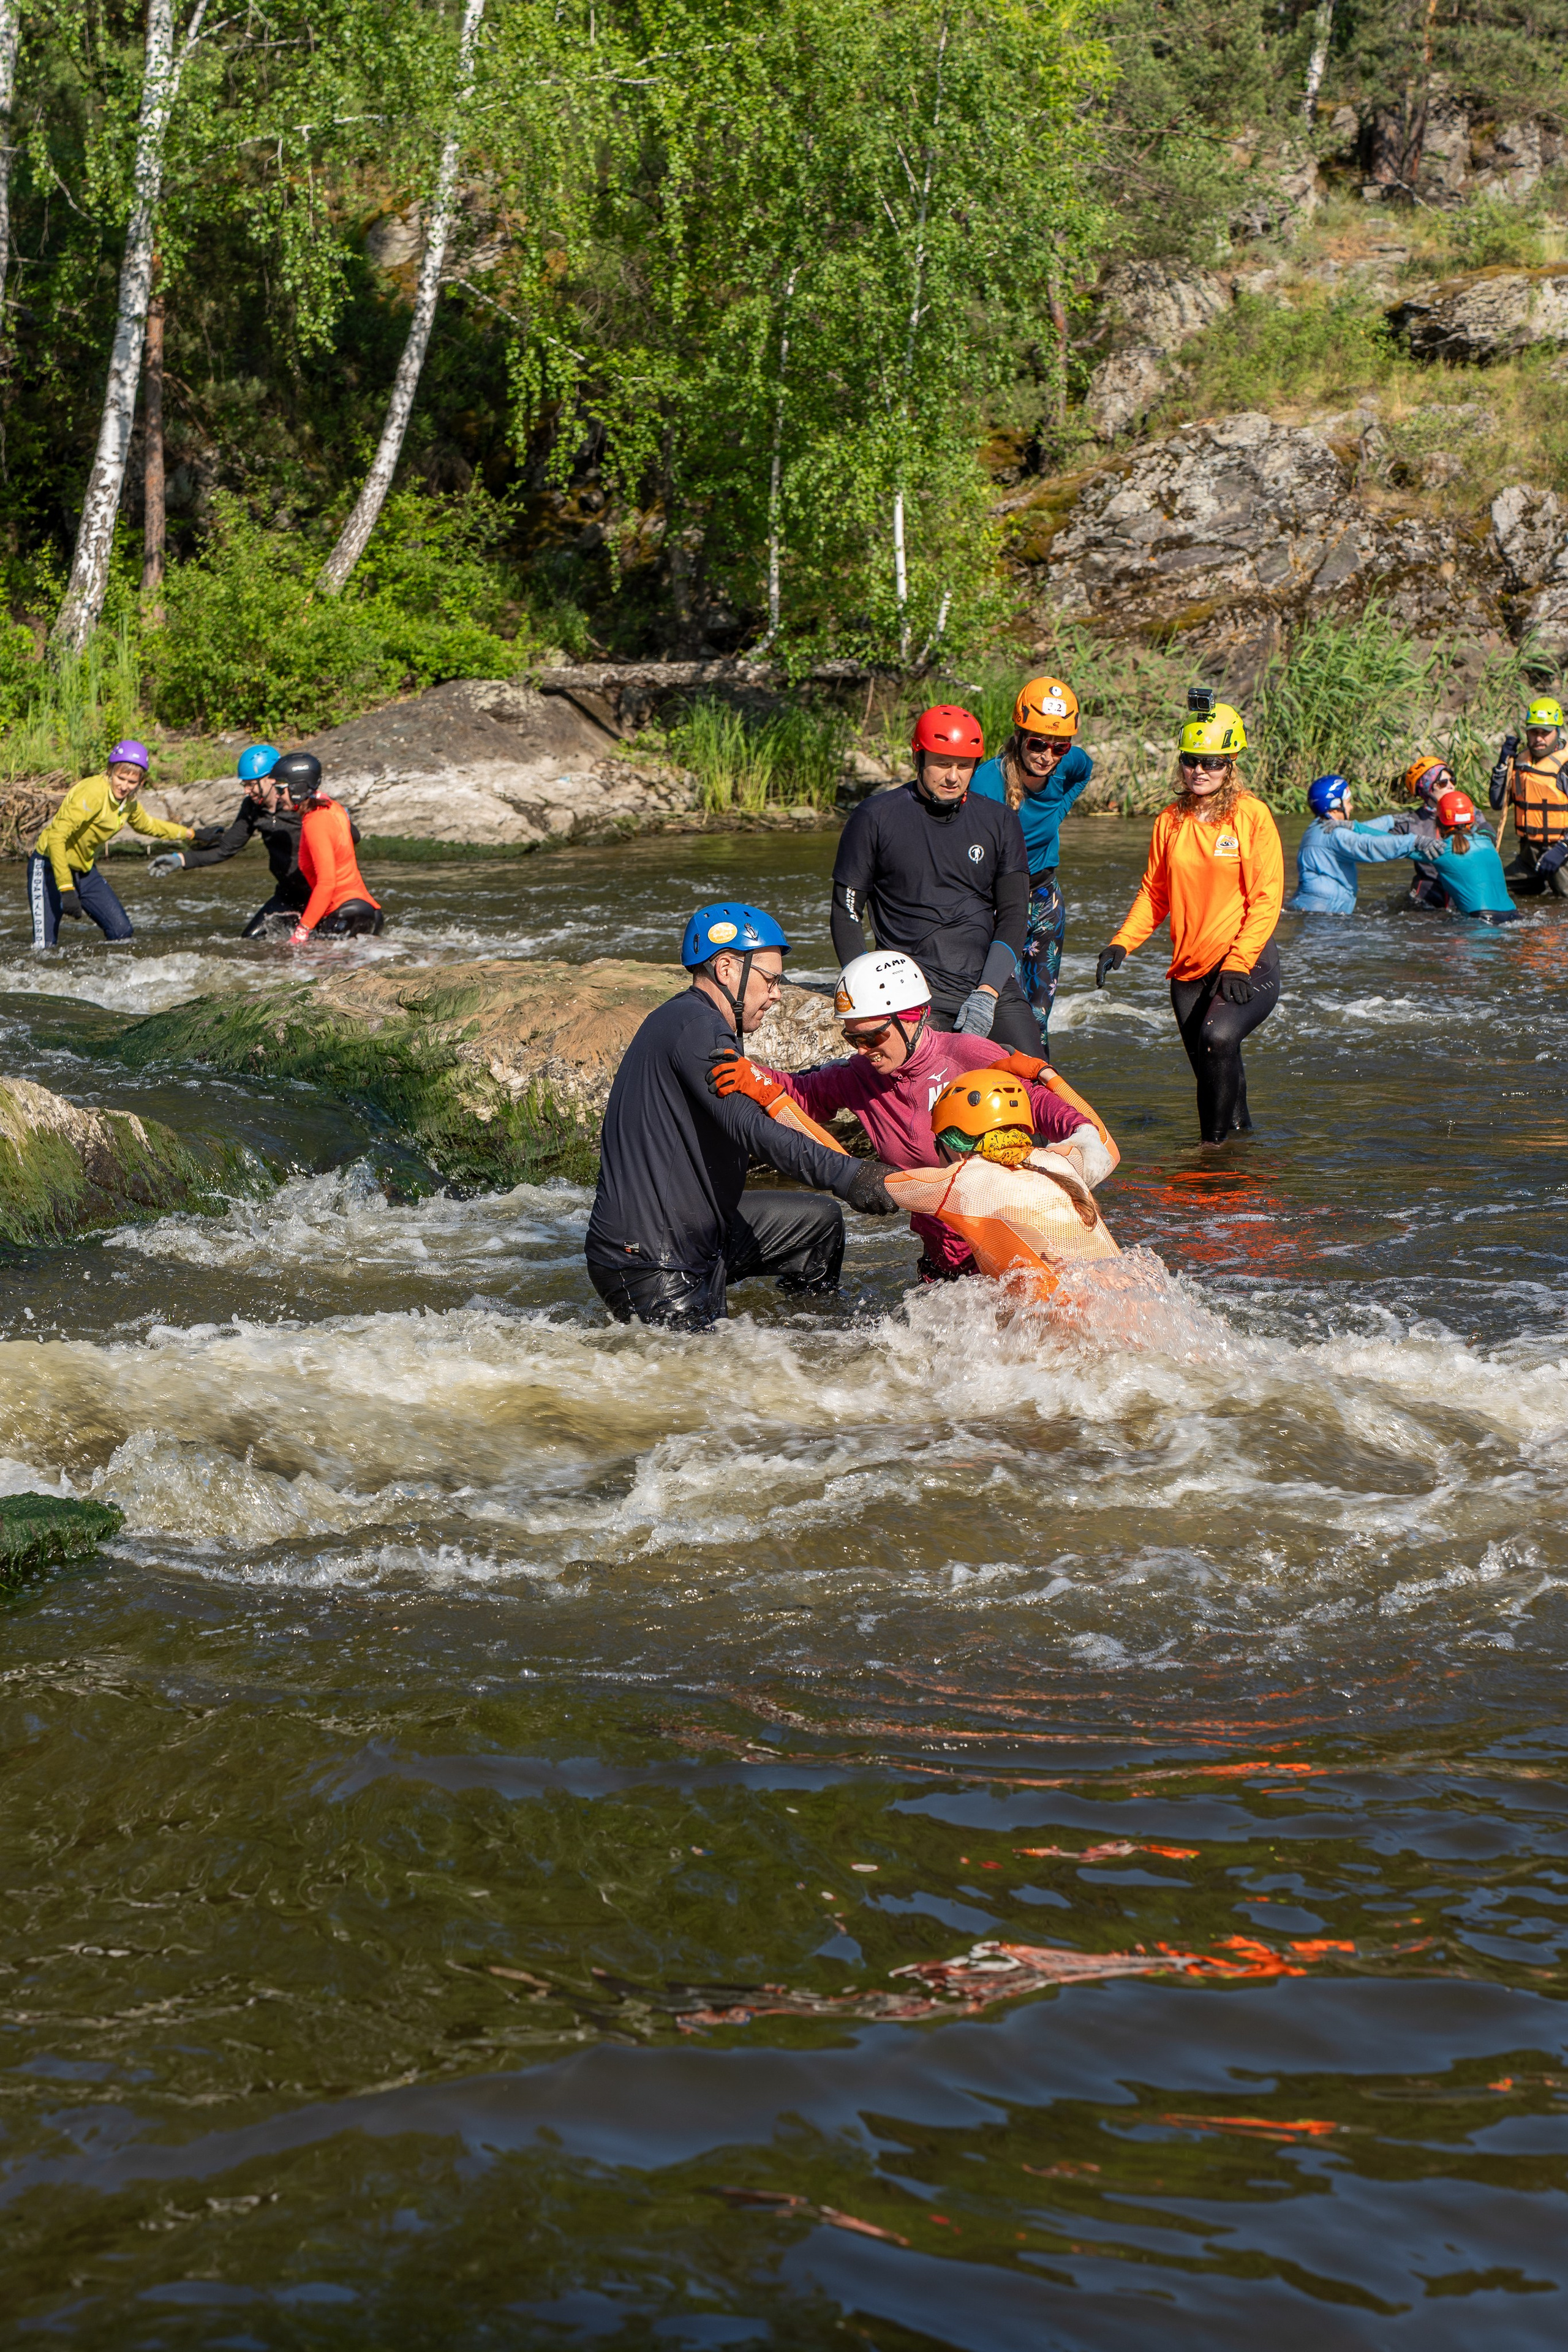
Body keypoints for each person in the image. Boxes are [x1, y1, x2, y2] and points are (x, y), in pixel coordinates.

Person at [707, 948, 1116, 1284]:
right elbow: (799, 1094)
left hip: (1017, 1256)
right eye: (852, 1036)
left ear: (913, 1018)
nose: (863, 1048)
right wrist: (751, 1075)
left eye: (873, 1036)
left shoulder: (969, 1056)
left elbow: (1054, 1113)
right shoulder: (860, 1077)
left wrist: (1063, 1104)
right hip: (941, 1266)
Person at [585, 905, 899, 1329]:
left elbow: (764, 1105)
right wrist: (851, 1177)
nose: (777, 994)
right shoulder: (698, 1026)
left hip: (700, 1236)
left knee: (816, 1225)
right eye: (770, 980)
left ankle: (813, 1336)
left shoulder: (700, 1022)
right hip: (652, 1261)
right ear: (727, 968)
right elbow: (751, 1128)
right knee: (707, 1387)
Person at [1095, 699, 1283, 1145]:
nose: (1199, 771)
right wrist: (1122, 943)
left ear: (1231, 764)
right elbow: (1154, 893)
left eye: (1212, 763)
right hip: (1189, 972)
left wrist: (1238, 962)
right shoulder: (1169, 821)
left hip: (1246, 964)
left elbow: (1266, 898)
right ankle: (1239, 1157)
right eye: (1190, 760)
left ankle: (1209, 1156)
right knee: (1215, 1069)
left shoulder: (1250, 816)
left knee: (1218, 1039)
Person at [831, 704, 1038, 1051]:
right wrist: (865, 991)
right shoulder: (875, 816)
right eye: (942, 763)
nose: (953, 777)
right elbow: (846, 911)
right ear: (919, 757)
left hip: (987, 986)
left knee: (1041, 1082)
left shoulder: (1001, 821)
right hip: (910, 990)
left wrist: (988, 992)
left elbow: (1015, 914)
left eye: (964, 765)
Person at [970, 676, 1094, 1052]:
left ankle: (1038, 1094)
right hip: (997, 905)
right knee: (1005, 1012)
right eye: (1038, 743)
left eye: (1059, 747)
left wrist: (1059, 811)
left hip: (1045, 901)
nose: (1048, 755)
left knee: (1038, 1019)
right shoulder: (986, 784)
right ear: (1020, 736)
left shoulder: (1067, 764)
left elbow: (1084, 770)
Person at [28, 739, 196, 948]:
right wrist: (66, 886)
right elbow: (56, 836)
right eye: (121, 778)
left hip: (83, 869)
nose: (125, 786)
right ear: (110, 771)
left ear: (141, 782)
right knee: (45, 947)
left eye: (132, 782)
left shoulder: (129, 802)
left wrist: (191, 834)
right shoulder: (93, 793)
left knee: (122, 932)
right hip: (48, 866)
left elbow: (148, 825)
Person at [274, 753, 383, 940]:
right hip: (369, 912)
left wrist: (302, 931)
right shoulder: (333, 808)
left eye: (280, 788)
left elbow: (326, 883)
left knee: (296, 959)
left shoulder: (315, 822)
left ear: (297, 788)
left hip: (347, 914)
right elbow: (355, 836)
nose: (277, 795)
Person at [1288, 773, 1428, 911]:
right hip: (1323, 916)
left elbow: (1354, 833)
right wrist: (1413, 841)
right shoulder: (1334, 834)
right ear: (1336, 805)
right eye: (1348, 802)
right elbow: (1368, 846)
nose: (1351, 807)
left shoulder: (1317, 828)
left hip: (1309, 908)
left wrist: (1389, 821)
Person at [1383, 788, 1519, 923]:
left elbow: (1387, 843)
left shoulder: (1440, 850)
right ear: (1472, 821)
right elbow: (1486, 826)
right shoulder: (1487, 841)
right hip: (1514, 916)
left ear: (1438, 823)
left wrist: (1383, 822)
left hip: (1481, 920)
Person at [1490, 697, 1568, 895]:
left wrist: (1562, 849)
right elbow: (1497, 803)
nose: (1539, 739)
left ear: (1557, 731)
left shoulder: (1565, 767)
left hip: (1562, 854)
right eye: (1534, 732)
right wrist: (1502, 765)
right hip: (1528, 855)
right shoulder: (1518, 763)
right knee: (1492, 889)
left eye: (1545, 733)